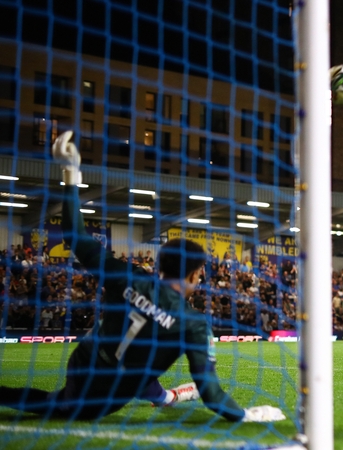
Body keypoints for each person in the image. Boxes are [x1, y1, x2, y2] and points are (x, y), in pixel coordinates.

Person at [0, 131, 284, 422]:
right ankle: (165, 397)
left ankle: (165, 397)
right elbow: (211, 393)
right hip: (109, 389)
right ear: (197, 274)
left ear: (159, 266)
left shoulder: (126, 275)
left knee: (140, 345)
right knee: (66, 406)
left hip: (86, 358)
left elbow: (75, 234)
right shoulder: (194, 324)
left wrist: (71, 172)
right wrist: (247, 415)